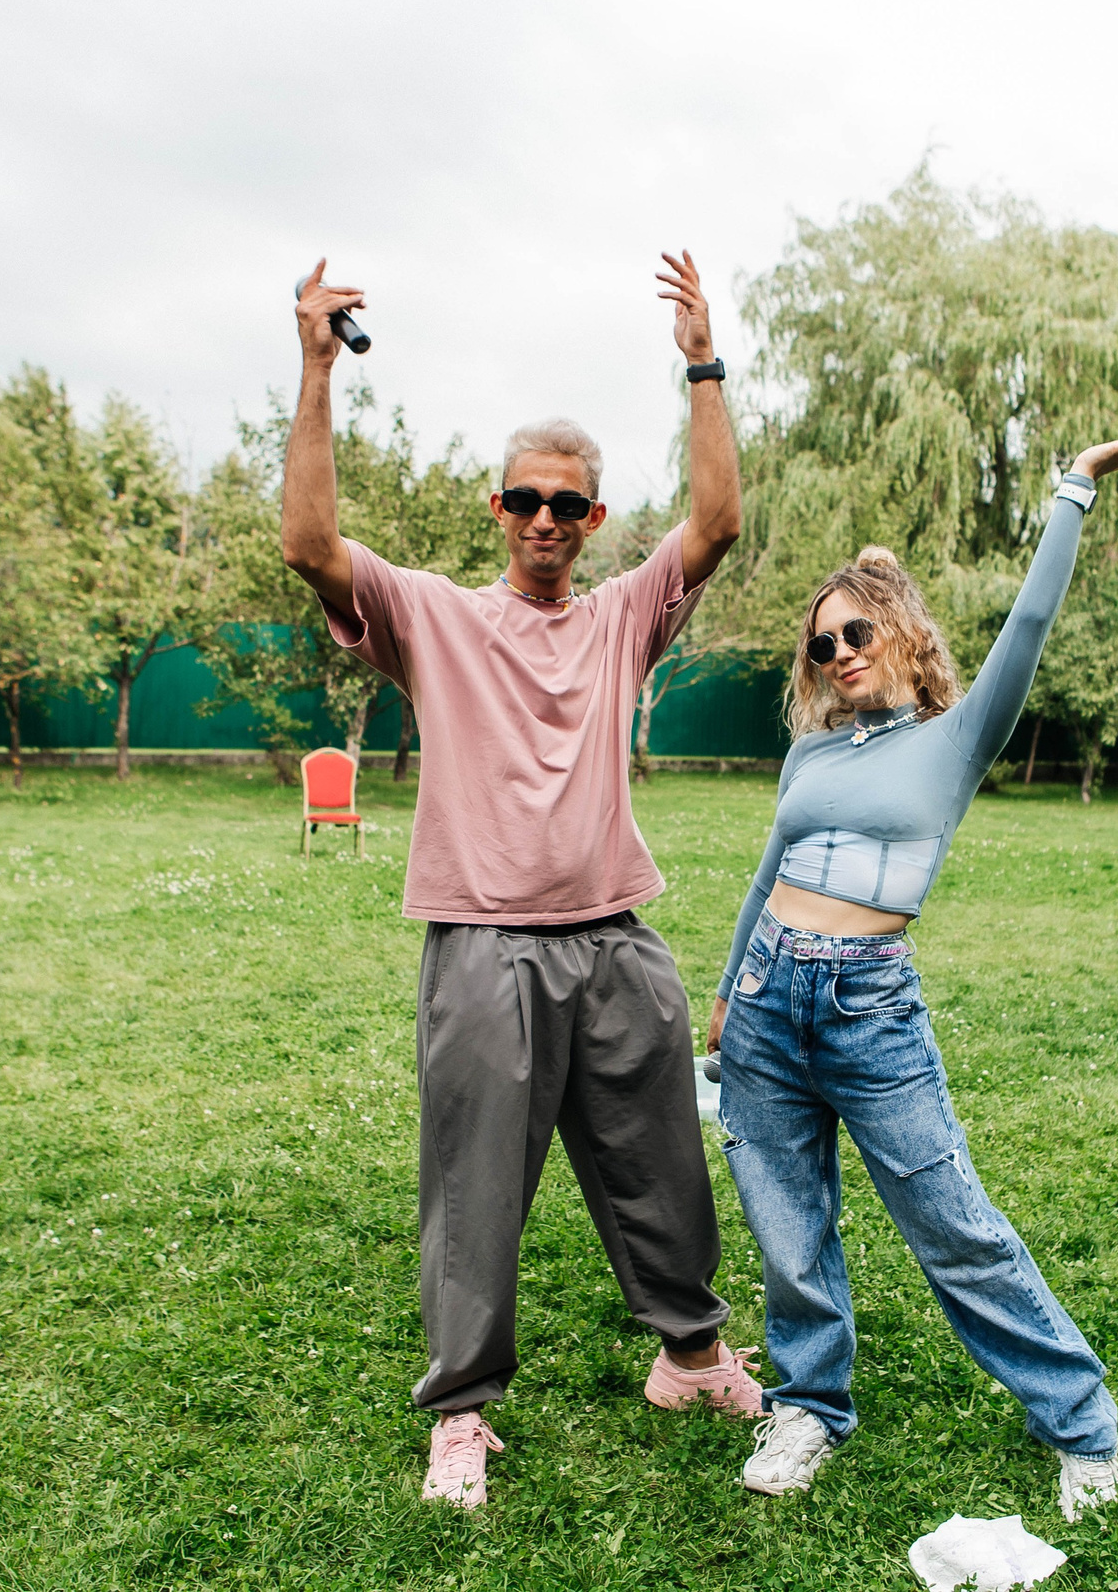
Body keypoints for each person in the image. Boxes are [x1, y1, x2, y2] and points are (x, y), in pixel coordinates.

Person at [278, 253, 760, 1510]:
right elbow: (309, 542)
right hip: (485, 948)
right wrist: (318, 368)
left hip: (616, 940)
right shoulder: (431, 615)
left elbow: (715, 525)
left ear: (595, 521)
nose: (548, 519)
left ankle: (692, 1357)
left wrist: (704, 365)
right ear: (496, 507)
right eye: (527, 498)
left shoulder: (621, 619)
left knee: (661, 1164)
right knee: (475, 1189)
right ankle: (460, 1414)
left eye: (572, 505)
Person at [705, 422, 1118, 1520]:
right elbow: (764, 875)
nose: (838, 655)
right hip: (771, 994)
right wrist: (728, 993)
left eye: (855, 631)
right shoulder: (811, 750)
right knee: (785, 1222)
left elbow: (1028, 619)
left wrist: (1075, 486)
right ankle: (807, 1408)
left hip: (869, 1006)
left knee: (953, 1224)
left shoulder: (959, 735)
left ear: (904, 634)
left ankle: (1081, 1428)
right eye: (820, 645)